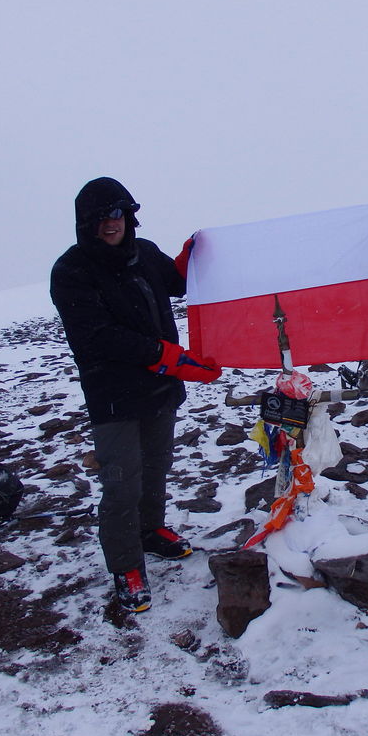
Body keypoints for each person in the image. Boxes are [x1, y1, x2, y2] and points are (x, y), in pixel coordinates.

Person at [50, 177, 221, 612]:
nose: (110, 223)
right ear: (84, 223)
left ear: (128, 216)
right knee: (122, 481)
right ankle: (125, 565)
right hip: (114, 396)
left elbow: (177, 283)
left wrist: (193, 257)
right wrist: (168, 357)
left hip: (159, 388)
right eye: (100, 217)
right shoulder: (71, 271)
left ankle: (150, 531)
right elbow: (98, 337)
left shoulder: (143, 252)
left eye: (117, 214)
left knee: (155, 466)